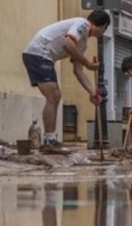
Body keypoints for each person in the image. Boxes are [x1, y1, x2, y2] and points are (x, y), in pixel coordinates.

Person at [22, 9, 110, 152]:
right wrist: (87, 62)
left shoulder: (83, 43)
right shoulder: (83, 24)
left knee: (54, 96)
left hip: (43, 57)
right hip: (38, 53)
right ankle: (49, 140)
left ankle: (50, 139)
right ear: (104, 26)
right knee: (54, 96)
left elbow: (78, 70)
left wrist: (92, 92)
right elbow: (67, 44)